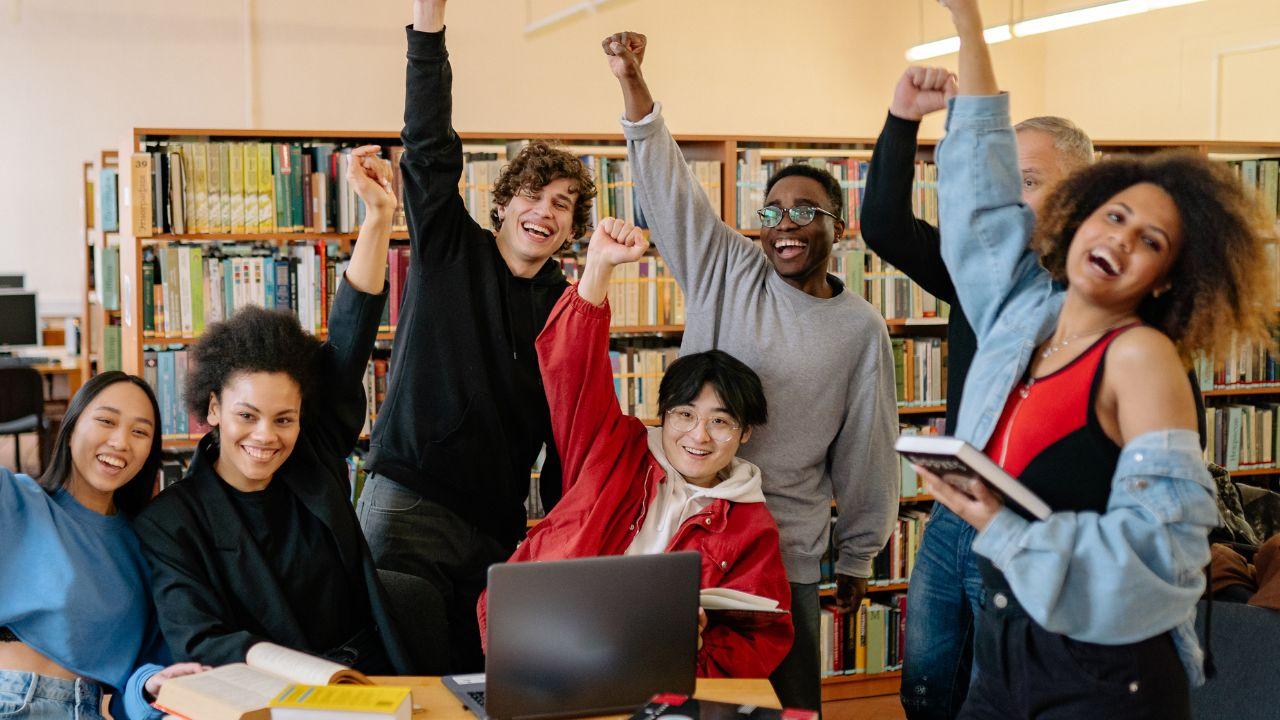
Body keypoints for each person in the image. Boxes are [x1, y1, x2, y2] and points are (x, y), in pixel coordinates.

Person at [916, 1, 1275, 716]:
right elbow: (981, 207)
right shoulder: (1022, 314)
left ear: (1169, 279)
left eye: (1151, 240)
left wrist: (1006, 526)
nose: (1121, 239)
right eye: (1115, 215)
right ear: (1077, 220)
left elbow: (1166, 555)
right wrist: (969, 27)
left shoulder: (1140, 357)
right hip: (1005, 642)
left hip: (1100, 672)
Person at [601, 31, 899, 708]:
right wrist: (632, 81)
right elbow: (668, 185)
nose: (784, 224)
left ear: (839, 227)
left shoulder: (860, 328)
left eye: (805, 211)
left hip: (783, 549)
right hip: (686, 533)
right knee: (668, 700)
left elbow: (867, 446)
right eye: (772, 211)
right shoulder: (725, 267)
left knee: (786, 705)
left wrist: (856, 554)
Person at [357, 0, 598, 673]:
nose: (543, 211)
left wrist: (556, 537)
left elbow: (567, 433)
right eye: (532, 195)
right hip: (407, 506)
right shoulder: (448, 247)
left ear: (572, 226)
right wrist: (427, 27)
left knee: (478, 685)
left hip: (495, 529)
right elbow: (429, 144)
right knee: (398, 683)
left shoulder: (567, 307)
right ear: (502, 203)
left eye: (561, 203)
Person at [859, 68, 1093, 719]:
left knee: (997, 691)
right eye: (1002, 183)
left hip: (1031, 521)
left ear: (1082, 190)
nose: (1011, 201)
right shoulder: (977, 275)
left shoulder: (1112, 303)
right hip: (951, 513)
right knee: (928, 684)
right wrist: (905, 116)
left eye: (1031, 182)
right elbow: (881, 225)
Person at [137, 147, 419, 675]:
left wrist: (379, 217)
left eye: (283, 418)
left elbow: (350, 337)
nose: (265, 436)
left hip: (374, 672)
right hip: (269, 690)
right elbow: (197, 637)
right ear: (213, 408)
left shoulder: (313, 455)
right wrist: (305, 669)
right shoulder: (171, 522)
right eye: (247, 415)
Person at [479, 217, 792, 678]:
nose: (699, 436)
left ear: (746, 433)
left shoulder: (751, 522)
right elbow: (574, 370)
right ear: (663, 414)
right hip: (547, 650)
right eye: (685, 415)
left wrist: (693, 659)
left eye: (721, 422)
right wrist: (600, 266)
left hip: (655, 677)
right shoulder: (612, 450)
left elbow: (760, 637)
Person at [0, 372, 206, 719]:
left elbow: (140, 684)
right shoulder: (15, 498)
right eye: (106, 421)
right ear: (70, 431)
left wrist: (150, 685)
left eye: (139, 432)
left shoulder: (148, 547)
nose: (120, 441)